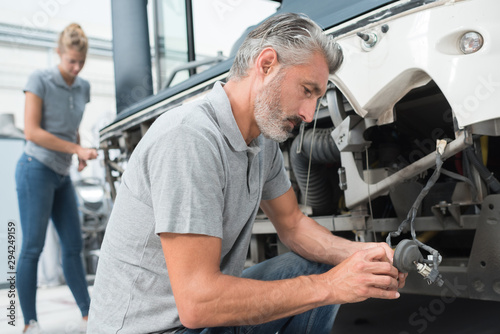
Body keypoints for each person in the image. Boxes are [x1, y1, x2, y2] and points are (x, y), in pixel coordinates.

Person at [88, 13, 407, 334]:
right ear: (266, 64)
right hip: (157, 328)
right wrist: (332, 286)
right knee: (323, 280)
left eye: (318, 98)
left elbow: (293, 225)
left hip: (192, 321)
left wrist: (362, 257)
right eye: (307, 90)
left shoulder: (261, 141)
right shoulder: (189, 138)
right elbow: (198, 304)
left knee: (322, 262)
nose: (309, 114)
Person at [15, 23, 98, 334]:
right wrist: (76, 147)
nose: (76, 68)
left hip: (61, 174)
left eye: (81, 61)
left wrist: (76, 152)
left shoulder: (83, 86)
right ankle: (28, 322)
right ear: (59, 54)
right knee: (32, 247)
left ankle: (89, 314)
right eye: (70, 61)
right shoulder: (39, 79)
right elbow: (32, 131)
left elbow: (71, 122)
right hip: (34, 168)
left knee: (73, 246)